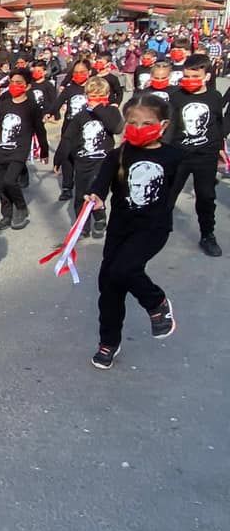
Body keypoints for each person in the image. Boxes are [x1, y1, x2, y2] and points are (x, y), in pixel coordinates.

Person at [84, 92, 181, 369]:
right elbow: (101, 183)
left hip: (152, 229)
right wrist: (96, 197)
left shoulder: (174, 157)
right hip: (120, 228)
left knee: (124, 270)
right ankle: (108, 342)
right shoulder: (119, 154)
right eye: (133, 123)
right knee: (109, 286)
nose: (138, 129)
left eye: (146, 123)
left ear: (162, 125)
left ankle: (157, 302)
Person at [165, 54, 225, 257]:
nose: (189, 80)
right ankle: (158, 228)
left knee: (206, 197)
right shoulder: (176, 97)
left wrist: (219, 147)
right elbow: (169, 128)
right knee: (168, 194)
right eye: (186, 75)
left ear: (207, 76)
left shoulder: (214, 97)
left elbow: (217, 124)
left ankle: (207, 235)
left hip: (205, 157)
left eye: (194, 76)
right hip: (178, 155)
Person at [53, 77, 123, 238]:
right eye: (92, 96)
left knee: (94, 191)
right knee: (81, 195)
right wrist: (59, 158)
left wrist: (99, 108)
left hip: (102, 161)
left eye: (99, 96)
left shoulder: (111, 112)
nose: (95, 100)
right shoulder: (81, 116)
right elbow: (68, 139)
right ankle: (82, 225)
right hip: (83, 161)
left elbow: (116, 127)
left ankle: (99, 215)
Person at [0, 70, 48, 231]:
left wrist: (44, 150)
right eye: (12, 81)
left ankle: (21, 208)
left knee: (10, 181)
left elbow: (40, 130)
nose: (14, 85)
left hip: (20, 150)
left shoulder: (31, 107)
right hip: (2, 149)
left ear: (27, 86)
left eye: (19, 83)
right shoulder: (4, 104)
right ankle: (7, 215)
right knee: (1, 185)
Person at [46, 59, 91, 201]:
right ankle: (67, 187)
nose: (78, 75)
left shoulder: (92, 88)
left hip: (87, 130)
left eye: (82, 72)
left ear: (89, 73)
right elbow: (58, 103)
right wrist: (50, 113)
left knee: (83, 158)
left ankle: (85, 187)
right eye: (76, 72)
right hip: (70, 128)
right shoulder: (70, 89)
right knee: (67, 158)